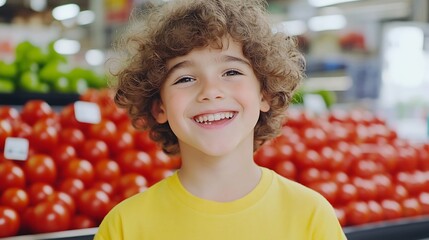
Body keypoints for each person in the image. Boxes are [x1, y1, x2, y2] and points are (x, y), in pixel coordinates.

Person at [94, 0, 347, 239]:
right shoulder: (124, 227)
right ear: (159, 107)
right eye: (185, 78)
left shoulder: (311, 216)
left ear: (264, 94)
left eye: (231, 72)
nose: (210, 91)